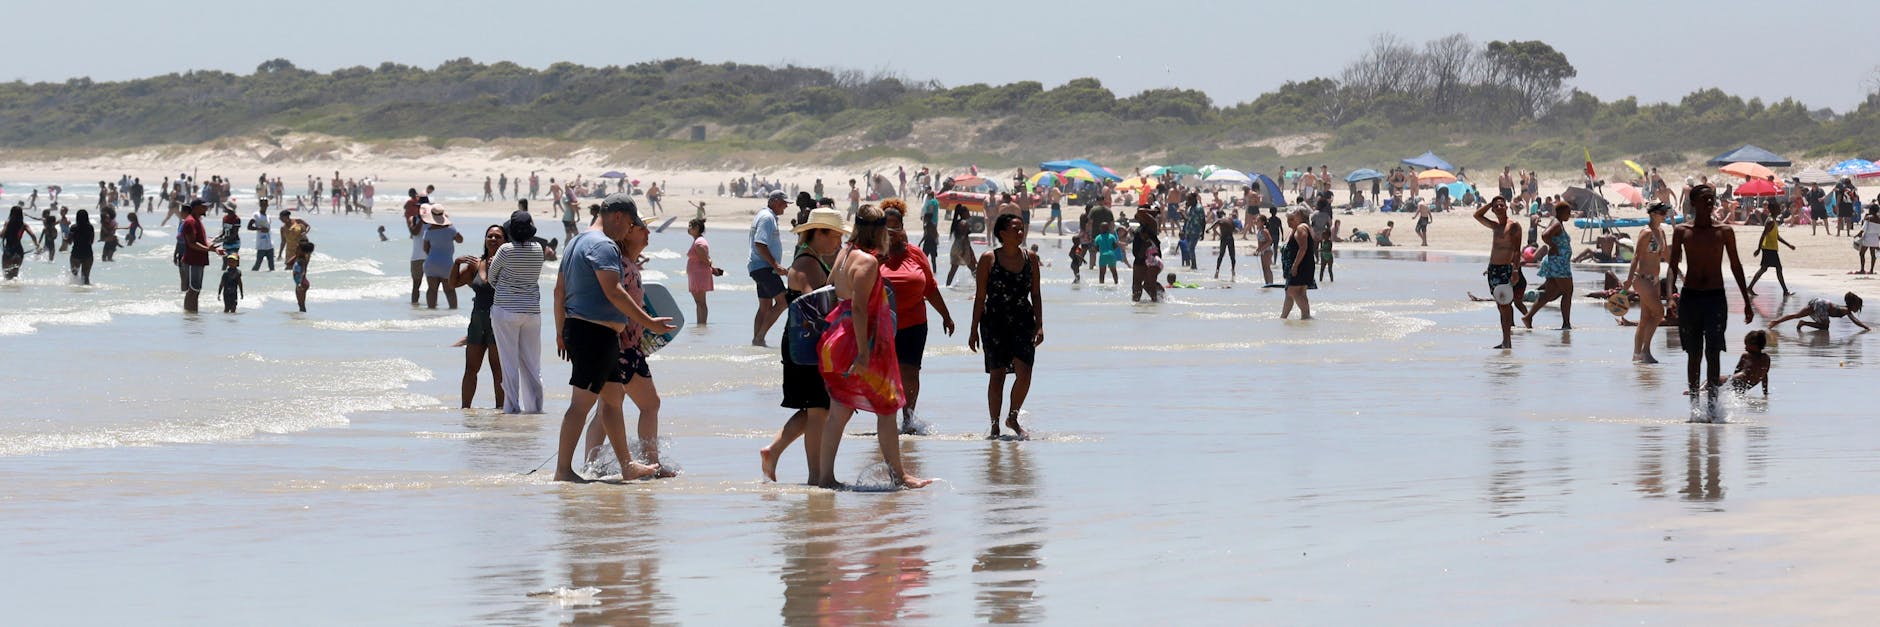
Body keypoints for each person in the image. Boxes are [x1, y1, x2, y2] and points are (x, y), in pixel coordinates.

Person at [550, 194, 672, 482]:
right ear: (617, 216)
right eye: (629, 224)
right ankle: (563, 470)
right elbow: (614, 291)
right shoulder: (603, 245)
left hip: (590, 332)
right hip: (594, 332)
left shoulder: (576, 241)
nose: (628, 231)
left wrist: (560, 332)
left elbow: (559, 291)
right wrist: (648, 322)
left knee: (613, 399)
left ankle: (627, 466)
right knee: (582, 404)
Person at [812, 204, 933, 490]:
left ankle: (825, 477)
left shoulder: (843, 254)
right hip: (861, 342)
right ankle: (899, 476)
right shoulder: (866, 262)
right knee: (887, 409)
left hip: (837, 339)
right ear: (879, 232)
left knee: (839, 411)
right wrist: (864, 353)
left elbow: (832, 290)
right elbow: (859, 308)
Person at [760, 208, 846, 483]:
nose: (838, 242)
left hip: (803, 342)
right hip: (807, 345)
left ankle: (773, 451)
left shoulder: (811, 258)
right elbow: (814, 304)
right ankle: (816, 476)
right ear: (819, 233)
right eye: (835, 236)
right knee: (819, 409)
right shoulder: (809, 262)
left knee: (816, 407)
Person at [1666, 184, 1753, 415]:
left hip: (1716, 297)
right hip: (1691, 297)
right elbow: (1672, 267)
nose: (1709, 203)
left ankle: (1713, 406)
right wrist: (1669, 297)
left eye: (1711, 199)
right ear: (1693, 203)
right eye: (1705, 199)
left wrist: (1746, 300)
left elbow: (1736, 265)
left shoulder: (1724, 232)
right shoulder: (1682, 231)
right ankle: (1695, 405)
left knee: (1713, 352)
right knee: (1693, 354)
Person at [878, 200, 956, 434]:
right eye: (886, 228)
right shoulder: (872, 254)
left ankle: (908, 419)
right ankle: (885, 419)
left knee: (910, 372)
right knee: (884, 374)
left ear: (902, 227)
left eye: (895, 227)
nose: (891, 233)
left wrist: (946, 315)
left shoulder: (916, 253)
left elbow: (930, 288)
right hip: (881, 324)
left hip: (914, 323)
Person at [969, 213, 1043, 440]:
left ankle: (1012, 417)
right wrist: (973, 330)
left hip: (1023, 320)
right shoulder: (988, 259)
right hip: (994, 322)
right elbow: (980, 296)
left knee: (1025, 372)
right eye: (1015, 229)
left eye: (1022, 229)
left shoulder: (1030, 258)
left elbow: (1036, 294)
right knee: (998, 374)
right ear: (1002, 233)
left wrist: (1039, 325)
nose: (1020, 233)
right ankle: (994, 426)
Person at [491, 210, 546, 414]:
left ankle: (512, 407)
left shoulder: (505, 250)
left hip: (505, 309)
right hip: (532, 310)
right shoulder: (539, 249)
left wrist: (505, 289)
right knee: (532, 363)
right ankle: (535, 407)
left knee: (509, 362)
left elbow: (491, 277)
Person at [452, 225, 506, 409]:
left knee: (498, 370)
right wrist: (457, 263)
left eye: (498, 236)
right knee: (470, 369)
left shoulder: (508, 264)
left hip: (498, 322)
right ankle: (465, 410)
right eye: (490, 236)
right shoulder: (476, 264)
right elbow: (453, 283)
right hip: (477, 321)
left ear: (505, 241)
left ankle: (500, 411)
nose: (493, 239)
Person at [1625, 203, 1672, 363]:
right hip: (1642, 278)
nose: (1665, 215)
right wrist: (1629, 280)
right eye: (1662, 212)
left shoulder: (1661, 232)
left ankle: (1636, 355)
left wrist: (1680, 273)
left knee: (1645, 318)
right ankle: (1646, 351)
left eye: (1665, 212)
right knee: (1659, 313)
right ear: (1653, 214)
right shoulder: (1646, 232)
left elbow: (1667, 256)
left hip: (1655, 280)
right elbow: (1636, 256)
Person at [1475, 197, 1524, 348]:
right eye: (1497, 206)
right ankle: (1505, 341)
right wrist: (1490, 203)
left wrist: (1515, 270)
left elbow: (1517, 250)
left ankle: (1508, 341)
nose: (1500, 207)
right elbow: (1477, 216)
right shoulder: (1495, 226)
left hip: (1505, 270)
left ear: (1507, 207)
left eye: (1502, 205)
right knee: (1500, 305)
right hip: (1493, 270)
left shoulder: (1514, 226)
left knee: (1505, 305)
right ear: (1493, 210)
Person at [1523, 202, 1576, 330]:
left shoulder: (1556, 222)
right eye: (1568, 212)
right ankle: (1566, 324)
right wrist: (1553, 246)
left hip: (1557, 263)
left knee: (1550, 293)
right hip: (1559, 264)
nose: (1569, 215)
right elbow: (1545, 235)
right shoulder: (1557, 223)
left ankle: (1528, 317)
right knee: (1568, 292)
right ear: (1562, 212)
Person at [749, 191, 791, 347]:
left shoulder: (766, 215)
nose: (786, 206)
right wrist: (775, 265)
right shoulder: (767, 218)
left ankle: (756, 342)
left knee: (765, 306)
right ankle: (760, 337)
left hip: (759, 267)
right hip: (764, 268)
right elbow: (760, 243)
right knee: (784, 301)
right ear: (774, 201)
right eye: (783, 202)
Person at [179, 200, 222, 313]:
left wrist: (215, 248)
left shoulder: (198, 221)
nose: (206, 209)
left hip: (199, 260)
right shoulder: (190, 222)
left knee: (196, 290)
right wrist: (208, 249)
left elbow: (202, 240)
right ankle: (189, 316)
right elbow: (191, 243)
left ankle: (192, 316)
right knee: (193, 290)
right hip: (193, 261)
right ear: (196, 208)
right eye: (204, 207)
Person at [421, 205, 463, 309]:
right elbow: (460, 240)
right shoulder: (451, 229)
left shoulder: (428, 231)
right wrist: (452, 227)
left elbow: (425, 249)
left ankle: (431, 313)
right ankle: (453, 313)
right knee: (449, 290)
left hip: (431, 263)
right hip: (447, 264)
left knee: (432, 289)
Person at [1766, 292, 1868, 333]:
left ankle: (1775, 322)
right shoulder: (1846, 311)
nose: (1858, 309)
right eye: (1858, 307)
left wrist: (1865, 327)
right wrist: (1866, 328)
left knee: (1796, 315)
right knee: (1825, 327)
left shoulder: (1845, 309)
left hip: (1819, 301)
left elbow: (1855, 320)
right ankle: (1803, 323)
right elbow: (1856, 321)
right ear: (1853, 305)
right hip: (1823, 305)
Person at [1747, 213, 1797, 295]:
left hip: (1771, 249)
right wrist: (1758, 249)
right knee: (1778, 269)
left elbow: (1777, 236)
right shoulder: (1770, 221)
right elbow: (1763, 235)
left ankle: (1749, 288)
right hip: (1768, 249)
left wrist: (1788, 245)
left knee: (1764, 268)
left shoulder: (1774, 221)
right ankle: (1785, 291)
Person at [1280, 207, 1315, 320]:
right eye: (1288, 219)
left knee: (1292, 291)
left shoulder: (1301, 228)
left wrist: (1295, 266)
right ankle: (1283, 317)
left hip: (1301, 266)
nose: (1289, 221)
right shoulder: (1297, 229)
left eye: (1292, 218)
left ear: (1300, 217)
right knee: (1292, 293)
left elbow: (1303, 248)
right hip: (1300, 265)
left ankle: (1306, 316)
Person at [685, 218, 721, 325]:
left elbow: (705, 259)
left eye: (690, 226)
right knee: (699, 302)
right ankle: (700, 324)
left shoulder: (699, 242)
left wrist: (712, 267)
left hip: (699, 275)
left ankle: (702, 324)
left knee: (701, 302)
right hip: (697, 274)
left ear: (696, 228)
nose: (688, 228)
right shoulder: (698, 241)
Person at [1719, 330, 1772, 396]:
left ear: (1754, 345)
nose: (1745, 348)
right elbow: (1764, 375)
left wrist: (1765, 392)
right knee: (1712, 384)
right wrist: (1765, 392)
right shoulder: (1766, 358)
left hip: (1737, 382)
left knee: (1710, 383)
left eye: (1747, 345)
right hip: (1737, 382)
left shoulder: (1746, 356)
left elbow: (1736, 371)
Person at [946, 204, 976, 286]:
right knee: (974, 269)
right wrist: (966, 251)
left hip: (955, 247)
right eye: (968, 212)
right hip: (962, 247)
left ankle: (947, 286)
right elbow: (964, 238)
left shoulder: (957, 222)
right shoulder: (964, 223)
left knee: (953, 270)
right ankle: (982, 287)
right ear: (963, 213)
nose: (969, 213)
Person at [2, 206, 32, 280]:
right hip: (18, 251)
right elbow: (33, 235)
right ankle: (16, 290)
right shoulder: (24, 225)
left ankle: (10, 290)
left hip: (9, 250)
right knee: (15, 274)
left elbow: (2, 234)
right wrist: (37, 245)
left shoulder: (7, 223)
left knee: (6, 275)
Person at [249, 199, 275, 271]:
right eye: (262, 204)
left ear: (267, 205)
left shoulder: (268, 216)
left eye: (265, 204)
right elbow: (249, 227)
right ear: (260, 205)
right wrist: (259, 229)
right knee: (257, 265)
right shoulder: (256, 215)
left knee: (272, 267)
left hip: (269, 245)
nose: (264, 206)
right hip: (261, 245)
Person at [1211, 207, 1237, 279]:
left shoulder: (1219, 220)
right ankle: (1233, 270)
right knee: (1232, 256)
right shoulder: (1230, 219)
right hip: (1230, 238)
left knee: (1221, 255)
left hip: (1224, 238)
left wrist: (1209, 230)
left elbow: (1212, 226)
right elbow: (1234, 229)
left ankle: (1217, 271)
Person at [291, 241, 313, 312]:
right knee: (300, 304)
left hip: (302, 283)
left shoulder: (302, 260)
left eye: (298, 248)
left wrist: (300, 282)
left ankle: (303, 320)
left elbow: (303, 272)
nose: (295, 249)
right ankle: (302, 319)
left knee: (302, 305)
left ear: (302, 251)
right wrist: (296, 255)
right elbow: (288, 263)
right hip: (298, 283)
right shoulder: (298, 258)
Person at [1860, 206, 1880, 274]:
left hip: (1868, 237)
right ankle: (1871, 270)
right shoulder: (1879, 219)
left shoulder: (1868, 218)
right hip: (1875, 238)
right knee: (1873, 255)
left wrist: (1858, 234)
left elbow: (1864, 228)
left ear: (1871, 210)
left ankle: (1862, 269)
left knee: (1862, 253)